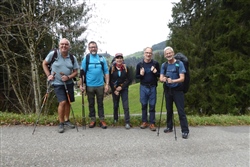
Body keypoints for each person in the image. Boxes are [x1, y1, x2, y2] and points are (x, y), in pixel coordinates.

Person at [42, 38, 79, 133]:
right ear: (59, 46)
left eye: (66, 44)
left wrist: (69, 77)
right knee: (62, 102)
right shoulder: (53, 54)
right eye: (62, 44)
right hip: (57, 83)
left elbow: (75, 72)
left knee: (68, 102)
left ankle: (67, 120)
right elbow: (44, 63)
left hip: (69, 83)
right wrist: (49, 75)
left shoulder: (72, 58)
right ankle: (61, 123)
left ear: (69, 46)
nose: (64, 46)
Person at [159, 46, 189, 139]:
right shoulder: (164, 65)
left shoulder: (179, 64)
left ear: (173, 53)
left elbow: (182, 78)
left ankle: (185, 131)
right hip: (168, 90)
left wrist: (173, 81)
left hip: (177, 90)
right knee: (169, 110)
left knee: (181, 111)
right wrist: (163, 79)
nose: (168, 55)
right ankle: (169, 127)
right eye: (166, 54)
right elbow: (160, 78)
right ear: (165, 55)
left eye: (170, 53)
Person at [79, 41, 109, 129]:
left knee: (100, 103)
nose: (93, 48)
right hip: (89, 86)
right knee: (91, 104)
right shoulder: (86, 59)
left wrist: (107, 84)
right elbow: (82, 73)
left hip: (100, 85)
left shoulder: (101, 59)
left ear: (97, 48)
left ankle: (102, 120)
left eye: (94, 47)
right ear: (89, 49)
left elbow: (106, 72)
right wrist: (81, 85)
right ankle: (93, 120)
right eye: (91, 47)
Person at [135, 47, 160, 131]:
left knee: (152, 106)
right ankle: (144, 121)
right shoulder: (140, 64)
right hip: (143, 87)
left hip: (152, 87)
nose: (148, 54)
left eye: (150, 53)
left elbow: (159, 75)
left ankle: (152, 123)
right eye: (147, 53)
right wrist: (141, 74)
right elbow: (136, 77)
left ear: (152, 54)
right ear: (144, 54)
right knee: (144, 105)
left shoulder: (155, 63)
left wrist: (156, 72)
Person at [109, 53, 132, 129]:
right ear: (115, 59)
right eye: (117, 58)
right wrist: (115, 89)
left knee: (126, 106)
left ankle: (127, 122)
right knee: (115, 105)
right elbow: (109, 80)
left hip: (124, 89)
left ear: (122, 59)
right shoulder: (112, 68)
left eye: (120, 58)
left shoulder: (126, 68)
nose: (119, 59)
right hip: (115, 90)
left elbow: (129, 79)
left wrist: (121, 87)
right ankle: (115, 119)